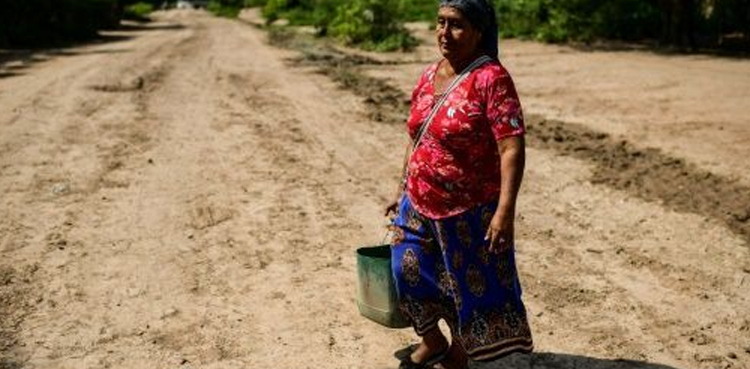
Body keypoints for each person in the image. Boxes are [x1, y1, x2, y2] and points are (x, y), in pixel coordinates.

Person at [384, 0, 533, 368]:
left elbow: (511, 146)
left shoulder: (492, 79)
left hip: (469, 209)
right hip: (417, 201)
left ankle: (461, 352)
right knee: (407, 269)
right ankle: (432, 339)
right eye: (440, 23)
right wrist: (400, 188)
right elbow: (417, 135)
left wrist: (505, 211)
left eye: (456, 24)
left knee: (466, 288)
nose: (444, 33)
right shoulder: (428, 74)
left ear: (479, 31)